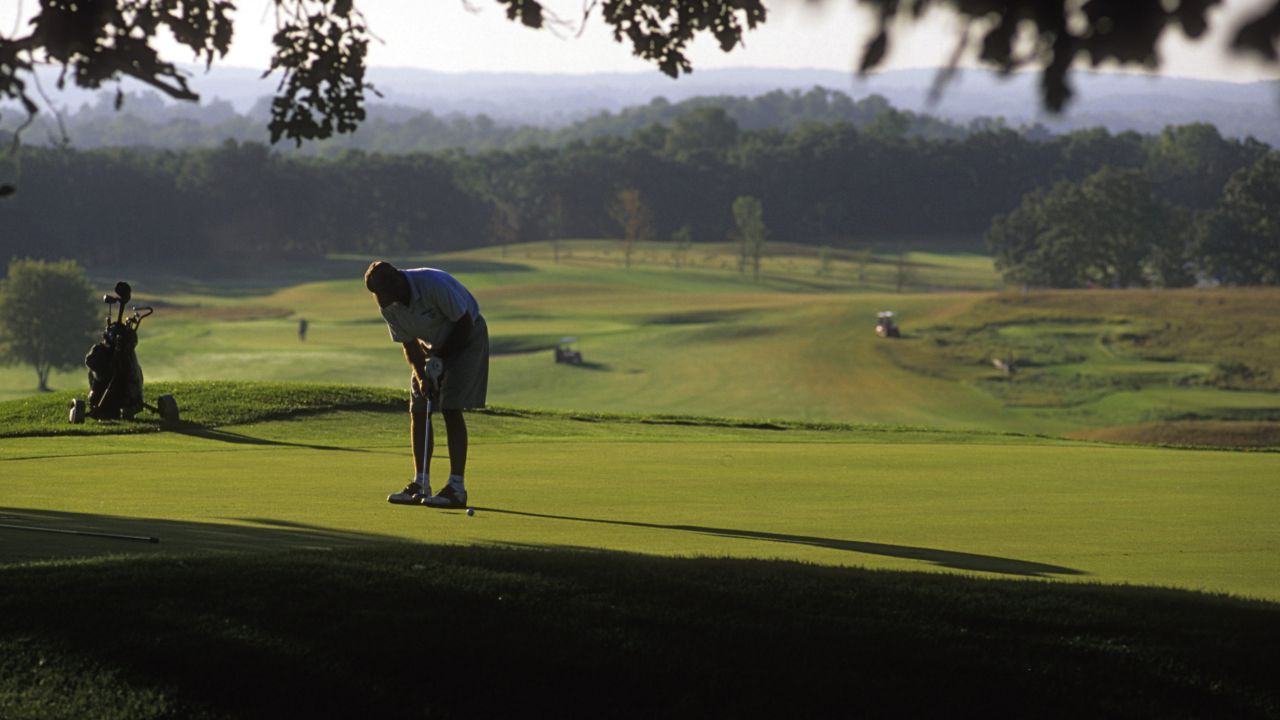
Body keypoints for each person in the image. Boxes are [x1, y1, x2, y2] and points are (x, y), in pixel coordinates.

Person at [365, 261, 489, 509]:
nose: (383, 302)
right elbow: (409, 345)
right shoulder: (388, 304)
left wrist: (441, 361)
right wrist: (423, 377)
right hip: (430, 346)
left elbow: (464, 323)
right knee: (419, 407)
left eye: (385, 295)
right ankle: (421, 482)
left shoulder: (433, 285)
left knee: (451, 406)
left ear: (398, 282)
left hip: (467, 339)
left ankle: (457, 488)